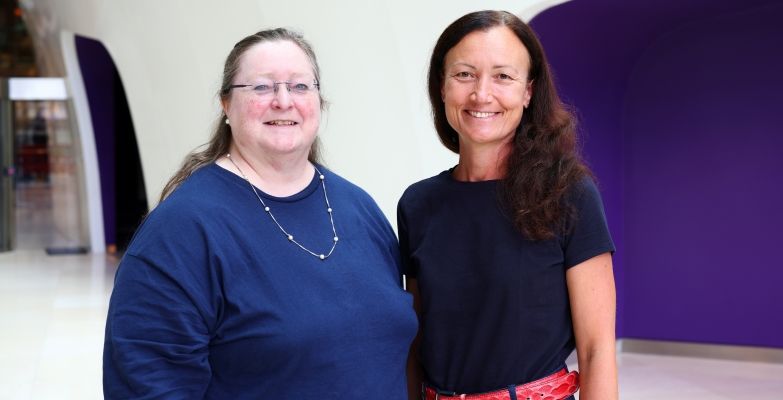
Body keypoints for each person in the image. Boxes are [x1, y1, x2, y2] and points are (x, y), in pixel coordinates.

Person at [103, 28, 417, 399]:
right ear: (225, 106)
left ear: (319, 101)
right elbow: (149, 385)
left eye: (300, 86)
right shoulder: (180, 231)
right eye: (262, 87)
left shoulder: (358, 207)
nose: (283, 101)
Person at [399, 10, 617, 400]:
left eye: (503, 76)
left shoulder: (569, 192)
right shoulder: (417, 204)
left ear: (528, 91)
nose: (482, 94)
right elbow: (414, 346)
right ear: (442, 87)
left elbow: (597, 351)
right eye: (464, 74)